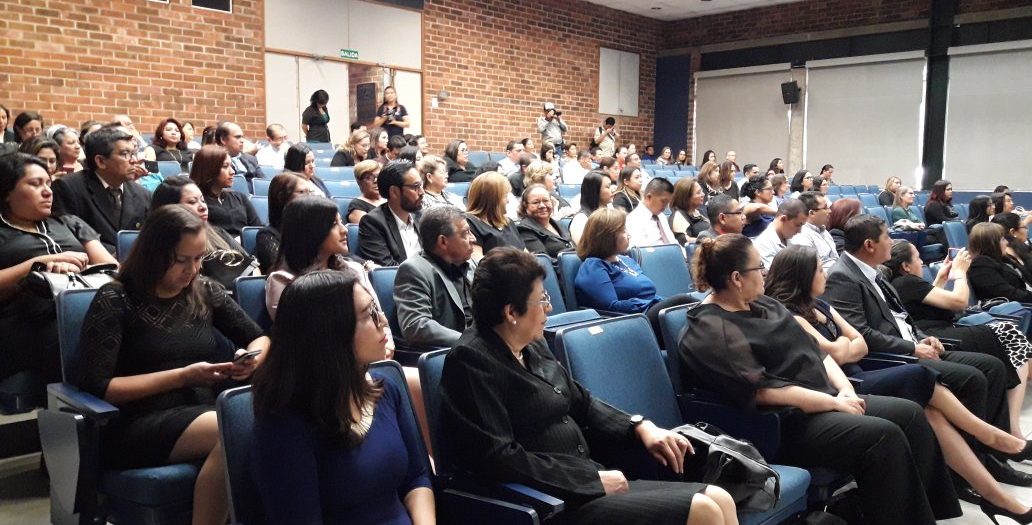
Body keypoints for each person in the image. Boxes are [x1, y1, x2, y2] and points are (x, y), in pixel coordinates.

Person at [441, 247, 735, 525]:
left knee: (720, 498)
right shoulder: (471, 361)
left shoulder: (531, 343)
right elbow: (499, 458)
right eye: (541, 300)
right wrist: (589, 482)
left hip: (589, 478)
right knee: (704, 510)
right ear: (511, 313)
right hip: (553, 502)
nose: (548, 308)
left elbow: (581, 401)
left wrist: (639, 426)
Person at [681, 234, 961, 525]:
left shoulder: (765, 304)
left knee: (910, 414)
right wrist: (833, 402)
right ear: (737, 278)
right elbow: (763, 391)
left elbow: (818, 353)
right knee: (882, 436)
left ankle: (927, 514)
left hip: (823, 399)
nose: (765, 272)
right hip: (783, 422)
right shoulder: (711, 328)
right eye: (759, 267)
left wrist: (845, 389)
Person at [765, 245, 1032, 520]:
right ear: (802, 275)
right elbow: (836, 353)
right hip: (846, 383)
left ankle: (993, 493)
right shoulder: (791, 315)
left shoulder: (820, 305)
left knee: (931, 411)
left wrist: (844, 346)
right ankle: (988, 438)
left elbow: (860, 343)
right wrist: (845, 345)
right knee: (919, 376)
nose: (825, 274)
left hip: (857, 371)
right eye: (820, 270)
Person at [74, 204, 270, 525]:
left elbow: (258, 337)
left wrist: (252, 359)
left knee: (264, 421)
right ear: (154, 254)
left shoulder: (204, 290)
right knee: (236, 427)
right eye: (181, 260)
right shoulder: (116, 298)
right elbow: (99, 387)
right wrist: (182, 377)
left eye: (198, 259)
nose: (191, 270)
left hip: (200, 409)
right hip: (136, 422)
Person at [822, 215, 1021, 483]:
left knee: (992, 366)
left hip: (912, 345)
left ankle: (994, 457)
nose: (891, 241)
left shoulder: (874, 271)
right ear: (869, 245)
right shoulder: (842, 277)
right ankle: (969, 471)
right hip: (891, 358)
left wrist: (923, 338)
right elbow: (862, 334)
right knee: (973, 378)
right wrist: (912, 348)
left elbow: (902, 318)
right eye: (886, 237)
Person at [252, 269, 434, 524]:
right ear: (331, 332)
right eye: (369, 314)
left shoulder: (386, 389)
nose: (383, 321)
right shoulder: (284, 424)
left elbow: (416, 478)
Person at [885, 240, 1032, 438]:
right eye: (918, 258)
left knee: (1010, 337)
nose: (921, 262)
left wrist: (940, 278)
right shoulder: (907, 282)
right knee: (1010, 334)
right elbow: (959, 303)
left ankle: (1009, 424)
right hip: (934, 335)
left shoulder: (902, 283)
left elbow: (923, 306)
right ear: (906, 266)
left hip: (935, 331)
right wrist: (960, 273)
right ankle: (1012, 426)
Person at [0, 153, 117, 385]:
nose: (47, 192)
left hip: (91, 309)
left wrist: (73, 270)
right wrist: (39, 265)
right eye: (35, 184)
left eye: (48, 183)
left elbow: (113, 269)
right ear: (6, 193)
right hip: (27, 322)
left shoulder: (69, 223)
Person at [265, 197, 380, 323]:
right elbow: (295, 332)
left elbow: (379, 321)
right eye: (334, 224)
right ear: (310, 231)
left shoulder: (355, 269)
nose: (344, 230)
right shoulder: (282, 280)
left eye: (341, 222)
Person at [576, 208, 693, 332]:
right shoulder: (594, 266)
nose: (629, 235)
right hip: (636, 321)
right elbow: (611, 307)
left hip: (651, 312)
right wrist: (646, 303)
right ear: (607, 237)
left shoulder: (626, 260)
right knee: (684, 301)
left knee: (690, 310)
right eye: (623, 231)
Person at [52, 127, 152, 253]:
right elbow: (68, 239)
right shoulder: (68, 188)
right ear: (100, 161)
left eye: (133, 154)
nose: (134, 160)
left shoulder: (142, 194)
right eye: (124, 154)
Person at [395, 206, 476, 347]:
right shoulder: (414, 270)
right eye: (465, 233)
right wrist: (471, 342)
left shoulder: (472, 265)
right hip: (454, 351)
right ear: (443, 242)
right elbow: (416, 325)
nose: (473, 238)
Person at [357, 160, 423, 267]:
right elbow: (387, 268)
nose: (422, 192)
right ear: (394, 191)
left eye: (421, 185)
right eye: (415, 186)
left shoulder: (422, 217)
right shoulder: (372, 223)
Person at [190, 145, 262, 238]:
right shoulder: (197, 203)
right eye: (225, 166)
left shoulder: (240, 197)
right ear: (209, 169)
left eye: (231, 166)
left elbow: (257, 229)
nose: (232, 172)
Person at [255, 173, 315, 274]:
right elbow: (281, 273)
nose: (310, 197)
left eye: (310, 192)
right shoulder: (267, 235)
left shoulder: (314, 228)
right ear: (282, 198)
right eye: (302, 192)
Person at [967, 223, 1032, 303]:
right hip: (1016, 306)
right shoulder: (980, 265)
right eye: (1003, 239)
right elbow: (1008, 294)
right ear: (991, 244)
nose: (1007, 242)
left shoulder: (1001, 258)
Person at [465, 172, 524, 260]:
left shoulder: (508, 222)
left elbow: (526, 256)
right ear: (492, 198)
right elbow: (478, 262)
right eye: (505, 196)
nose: (508, 201)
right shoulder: (470, 223)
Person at [517, 184, 574, 260]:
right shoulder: (525, 230)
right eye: (535, 202)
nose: (542, 205)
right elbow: (544, 262)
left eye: (546, 201)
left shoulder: (559, 224)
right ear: (525, 206)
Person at [789, 192, 838, 271]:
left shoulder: (824, 230)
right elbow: (810, 270)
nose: (830, 211)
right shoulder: (801, 236)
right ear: (812, 213)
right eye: (825, 208)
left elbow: (835, 258)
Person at [751, 199, 808, 268]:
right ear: (783, 219)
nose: (799, 231)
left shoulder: (795, 237)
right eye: (798, 225)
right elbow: (775, 273)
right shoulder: (763, 245)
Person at [626, 178, 678, 250]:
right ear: (649, 197)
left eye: (668, 203)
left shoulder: (662, 217)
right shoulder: (633, 219)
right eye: (663, 201)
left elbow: (673, 242)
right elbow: (639, 252)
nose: (666, 207)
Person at [215, 122, 265, 189]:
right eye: (237, 137)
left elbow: (263, 183)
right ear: (223, 139)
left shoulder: (251, 159)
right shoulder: (214, 160)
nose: (242, 141)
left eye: (242, 137)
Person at [569, 171, 613, 245]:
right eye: (608, 187)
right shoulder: (581, 219)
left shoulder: (611, 209)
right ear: (595, 190)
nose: (613, 190)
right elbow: (582, 248)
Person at [668, 177, 709, 246]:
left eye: (702, 191)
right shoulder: (679, 216)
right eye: (698, 192)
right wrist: (708, 241)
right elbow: (683, 240)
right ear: (686, 198)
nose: (703, 194)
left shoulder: (702, 211)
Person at [347, 160, 386, 224]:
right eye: (368, 178)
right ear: (359, 182)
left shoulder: (390, 199)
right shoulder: (357, 205)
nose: (376, 181)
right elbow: (367, 228)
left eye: (379, 176)